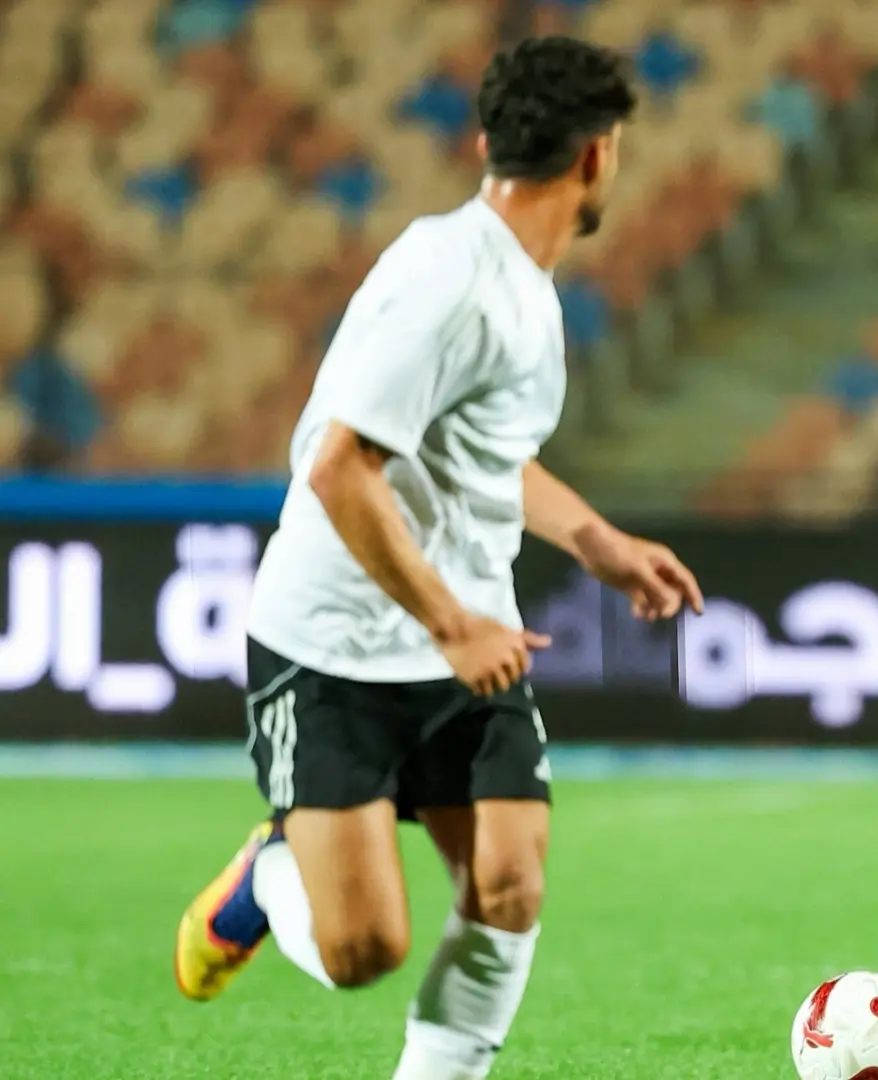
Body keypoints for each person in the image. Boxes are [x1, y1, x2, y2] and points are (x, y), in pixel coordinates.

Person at [172, 36, 703, 1080]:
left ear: (487, 144)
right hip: (333, 647)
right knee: (362, 950)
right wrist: (452, 623)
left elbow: (476, 456)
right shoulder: (452, 283)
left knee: (510, 883)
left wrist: (593, 539)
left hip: (459, 637)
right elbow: (341, 469)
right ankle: (266, 877)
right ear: (597, 155)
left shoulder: (513, 280)